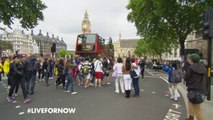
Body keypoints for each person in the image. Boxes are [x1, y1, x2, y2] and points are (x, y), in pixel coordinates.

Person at [184, 53, 207, 120]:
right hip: (201, 90)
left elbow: (186, 78)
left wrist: (184, 74)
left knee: (197, 109)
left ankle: (194, 118)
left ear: (192, 60)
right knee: (190, 103)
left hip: (193, 89)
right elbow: (206, 80)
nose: (188, 60)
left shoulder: (191, 68)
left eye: (189, 59)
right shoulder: (204, 68)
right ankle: (191, 117)